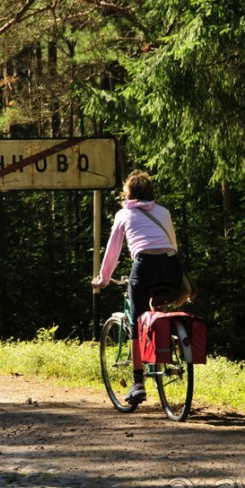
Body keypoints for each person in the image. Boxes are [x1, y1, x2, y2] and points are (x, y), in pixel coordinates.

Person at [91, 171, 183, 405]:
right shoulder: (164, 212)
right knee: (158, 307)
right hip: (172, 266)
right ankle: (169, 353)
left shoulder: (124, 214)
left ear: (128, 194)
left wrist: (103, 278)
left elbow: (113, 249)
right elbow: (172, 244)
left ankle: (138, 383)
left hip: (144, 267)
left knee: (135, 323)